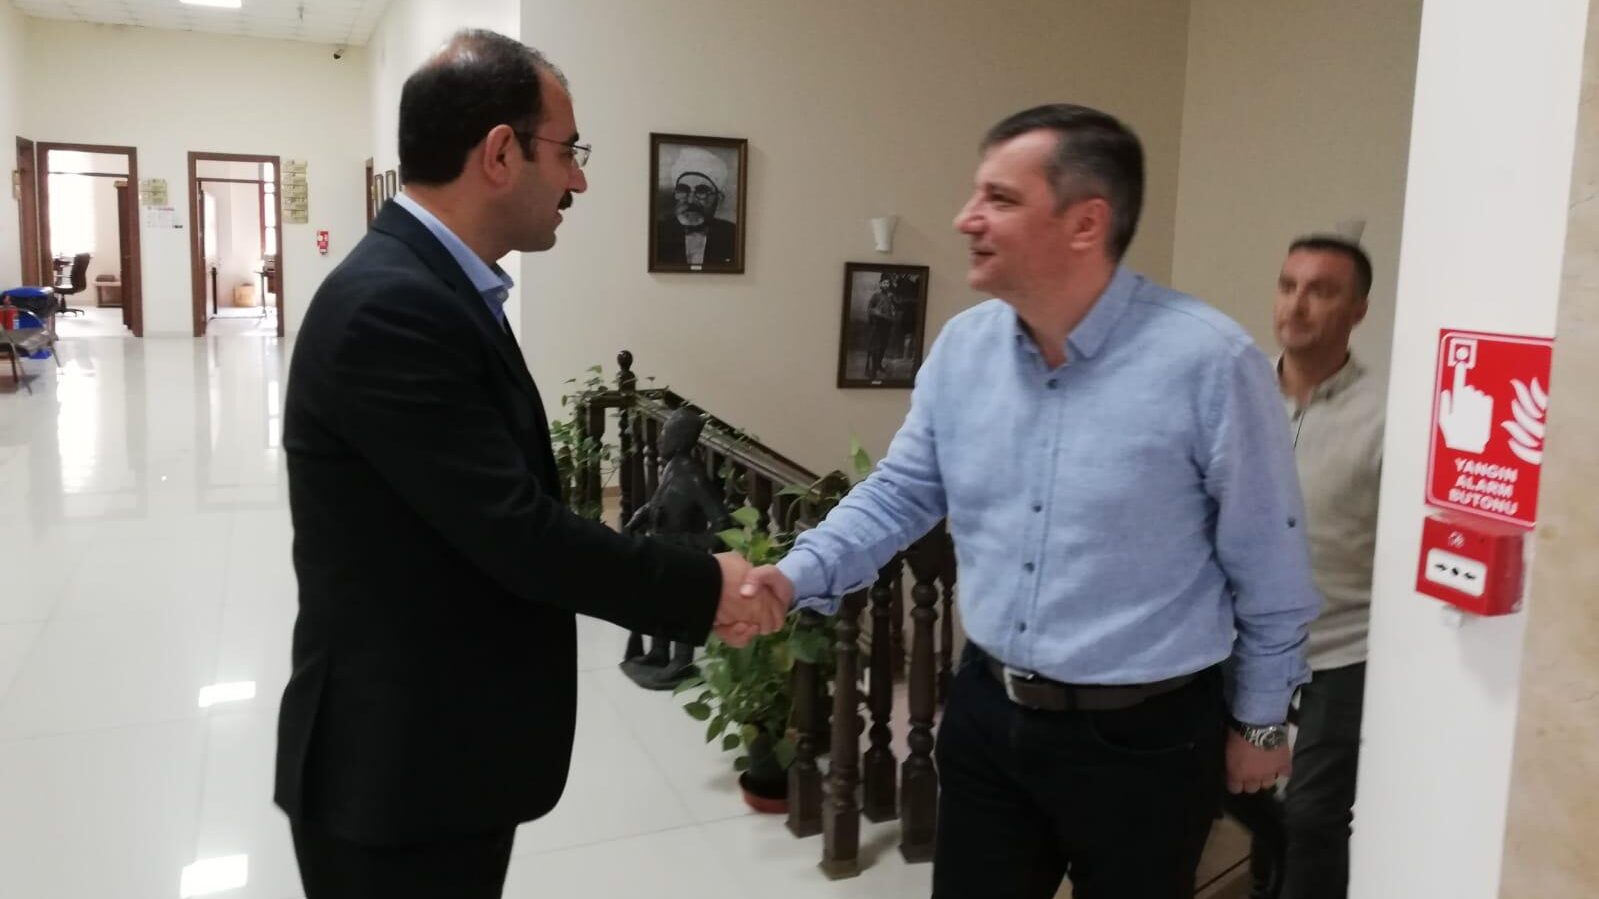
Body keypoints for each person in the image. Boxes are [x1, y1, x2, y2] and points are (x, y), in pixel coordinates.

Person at [739, 103, 1322, 899]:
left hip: (1146, 739)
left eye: (999, 198)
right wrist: (793, 575)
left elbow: (1269, 559)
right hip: (988, 712)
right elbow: (902, 491)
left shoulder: (1209, 363)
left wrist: (1259, 719)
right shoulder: (964, 349)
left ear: (1085, 223)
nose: (965, 217)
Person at [274, 30, 783, 899]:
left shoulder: (434, 285)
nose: (577, 180)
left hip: (438, 754)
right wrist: (706, 586)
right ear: (501, 153)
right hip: (394, 774)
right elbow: (515, 532)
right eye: (569, 151)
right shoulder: (392, 306)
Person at [1224, 235, 1383, 899]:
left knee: (1315, 814)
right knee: (1232, 787)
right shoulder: (1233, 396)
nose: (1296, 304)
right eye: (1288, 285)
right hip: (1234, 645)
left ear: (1358, 310)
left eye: (1321, 291)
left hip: (1337, 652)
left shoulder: (1389, 414)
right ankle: (1274, 866)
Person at [654, 146, 737, 266]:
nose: (691, 200)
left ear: (718, 198)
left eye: (701, 191)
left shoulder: (733, 235)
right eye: (683, 190)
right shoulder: (658, 233)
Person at [865, 275, 898, 378]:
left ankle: (878, 365)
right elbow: (869, 308)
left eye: (888, 283)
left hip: (887, 324)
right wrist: (876, 313)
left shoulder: (891, 296)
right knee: (876, 347)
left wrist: (893, 300)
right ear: (880, 284)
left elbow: (896, 307)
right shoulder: (876, 296)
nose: (886, 285)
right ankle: (873, 370)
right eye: (884, 283)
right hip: (878, 324)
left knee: (884, 346)